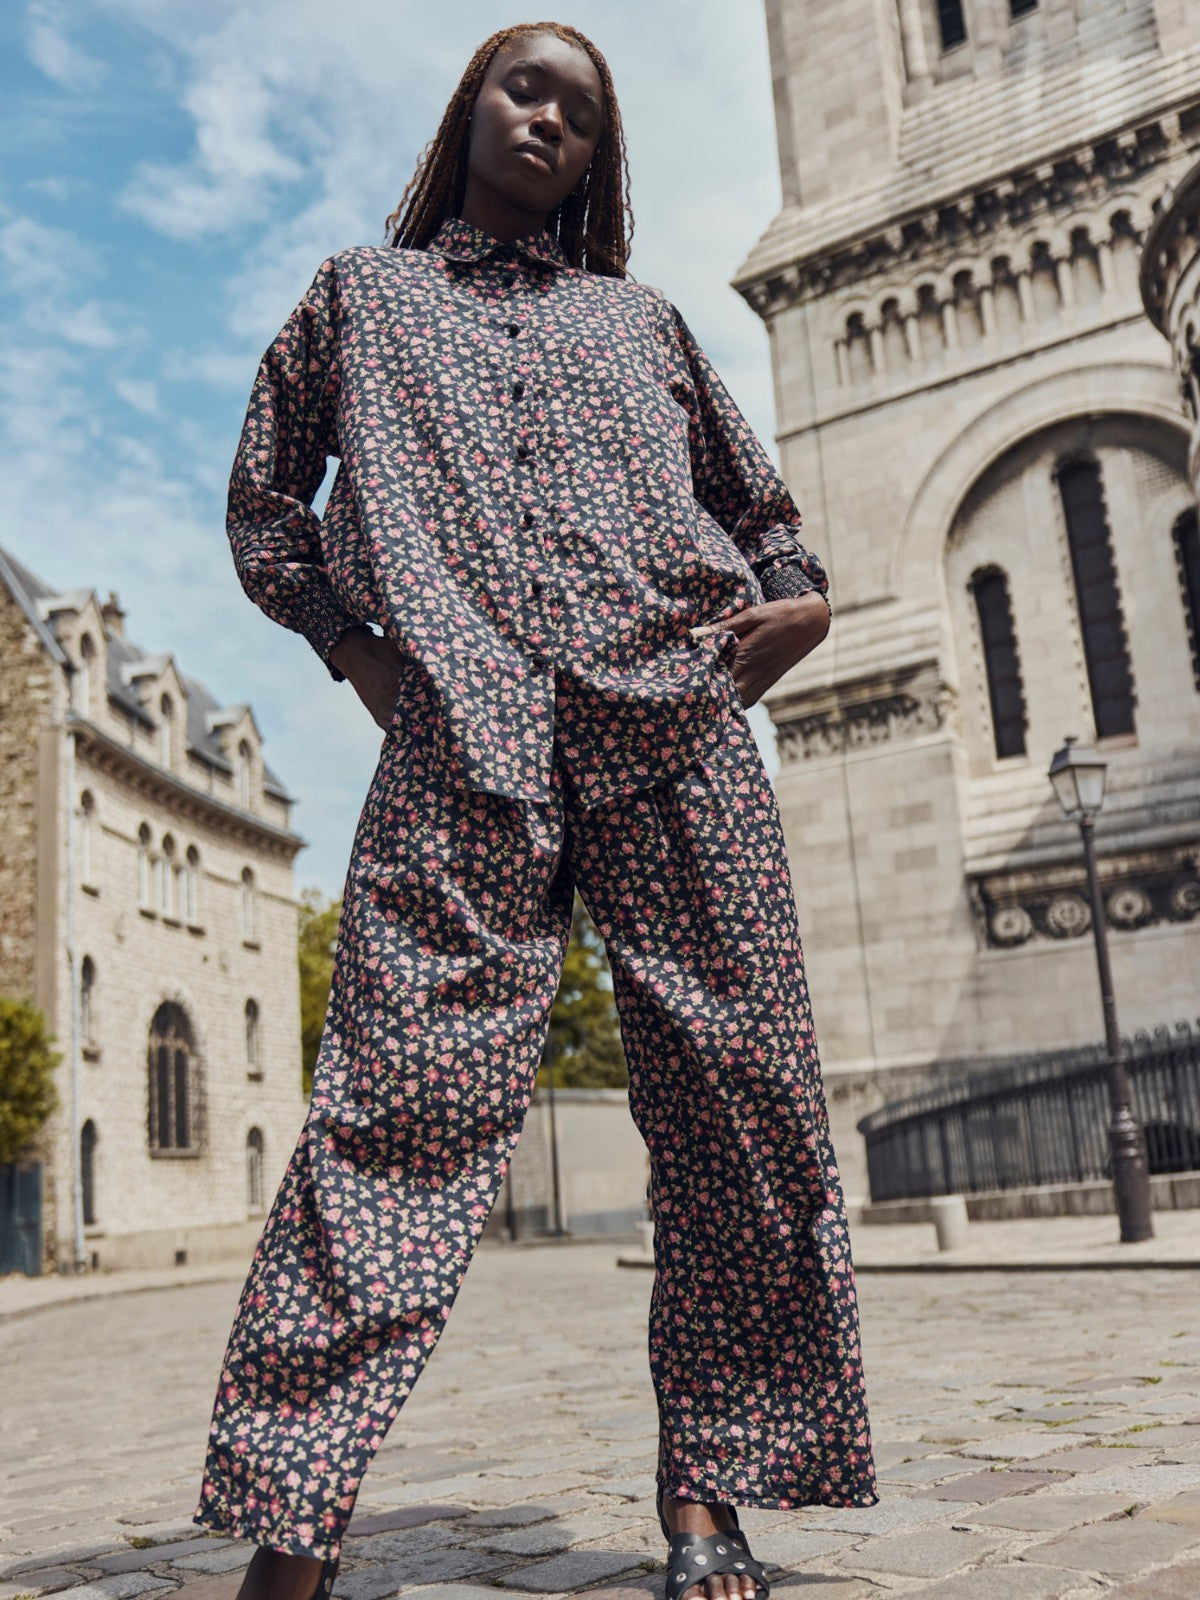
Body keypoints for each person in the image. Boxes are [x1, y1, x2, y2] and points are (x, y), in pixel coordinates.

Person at [191, 20, 877, 1600]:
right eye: (525, 87)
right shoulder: (361, 302)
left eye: (580, 108)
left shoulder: (644, 324)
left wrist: (806, 603)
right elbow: (260, 500)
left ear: (597, 154)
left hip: (679, 727)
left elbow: (764, 518)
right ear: (469, 109)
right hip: (461, 750)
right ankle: (296, 1522)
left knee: (740, 1103)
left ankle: (709, 1495)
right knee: (389, 1113)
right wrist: (361, 649)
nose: (548, 120)